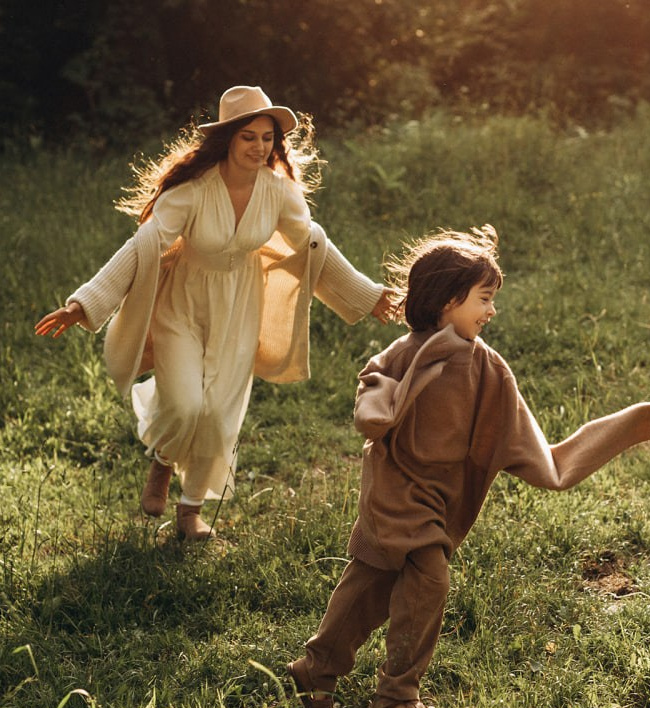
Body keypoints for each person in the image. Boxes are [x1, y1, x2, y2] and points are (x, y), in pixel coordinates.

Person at [287, 224, 650, 708]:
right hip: (395, 490)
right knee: (424, 581)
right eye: (484, 298)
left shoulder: (487, 366)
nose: (492, 310)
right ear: (446, 300)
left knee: (369, 587)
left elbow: (521, 433)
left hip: (440, 497)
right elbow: (375, 384)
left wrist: (626, 430)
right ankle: (397, 695)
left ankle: (316, 671)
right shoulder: (405, 352)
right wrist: (375, 409)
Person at [35, 85, 392, 541]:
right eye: (248, 137)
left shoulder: (278, 192)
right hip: (182, 305)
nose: (259, 147)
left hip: (239, 308)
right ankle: (164, 459)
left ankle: (191, 510)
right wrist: (83, 302)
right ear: (227, 139)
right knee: (185, 404)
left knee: (219, 414)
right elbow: (145, 245)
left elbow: (312, 244)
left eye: (267, 138)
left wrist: (366, 294)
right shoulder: (193, 190)